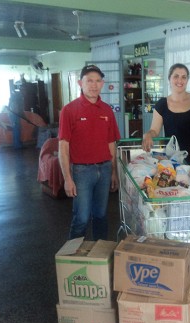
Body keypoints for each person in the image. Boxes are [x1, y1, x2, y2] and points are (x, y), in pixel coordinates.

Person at [58, 64, 121, 240]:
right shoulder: (69, 110)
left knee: (101, 215)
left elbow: (111, 143)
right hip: (82, 172)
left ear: (102, 83)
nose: (94, 85)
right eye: (89, 80)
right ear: (80, 83)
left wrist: (114, 172)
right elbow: (63, 146)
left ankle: (99, 257)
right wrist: (67, 178)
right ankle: (72, 259)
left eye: (98, 81)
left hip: (105, 169)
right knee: (82, 218)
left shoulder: (107, 110)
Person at [142, 63, 190, 159]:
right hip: (172, 158)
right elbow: (154, 130)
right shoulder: (162, 104)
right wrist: (148, 135)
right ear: (169, 79)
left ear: (187, 80)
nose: (180, 80)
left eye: (184, 77)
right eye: (176, 76)